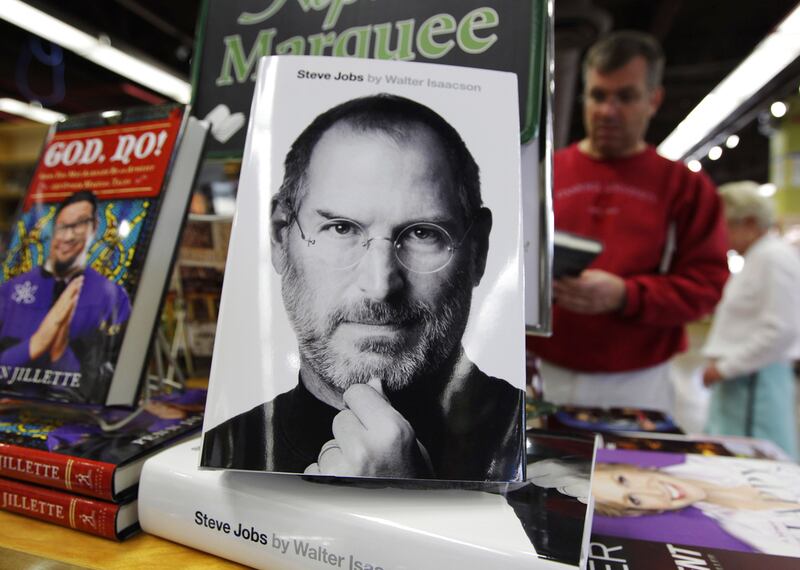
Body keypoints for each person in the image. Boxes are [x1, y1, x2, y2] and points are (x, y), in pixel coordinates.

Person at [202, 94, 525, 481]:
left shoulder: (535, 451)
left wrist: (406, 504)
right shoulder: (224, 450)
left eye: (423, 233)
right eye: (341, 228)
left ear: (478, 250)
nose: (380, 286)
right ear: (279, 238)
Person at [528, 31, 729, 413]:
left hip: (637, 381)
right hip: (541, 369)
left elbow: (707, 285)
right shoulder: (543, 173)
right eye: (598, 95)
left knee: (627, 473)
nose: (607, 110)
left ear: (654, 99)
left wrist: (626, 295)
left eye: (626, 96)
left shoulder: (685, 188)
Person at [0, 190, 132, 402]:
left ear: (94, 228)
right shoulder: (10, 290)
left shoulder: (113, 297)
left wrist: (60, 351)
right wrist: (35, 343)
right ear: (53, 230)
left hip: (80, 418)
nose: (68, 236)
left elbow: (105, 383)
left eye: (79, 224)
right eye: (63, 226)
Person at [702, 181, 800, 460]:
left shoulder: (773, 258)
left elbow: (781, 329)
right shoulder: (758, 258)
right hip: (742, 380)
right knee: (730, 459)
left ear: (749, 222)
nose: (720, 235)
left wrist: (726, 368)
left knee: (753, 464)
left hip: (754, 382)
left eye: (724, 226)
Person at [592, 457, 800, 556]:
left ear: (631, 466)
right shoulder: (749, 532)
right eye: (634, 500)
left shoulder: (709, 462)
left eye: (622, 479)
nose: (653, 492)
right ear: (647, 510)